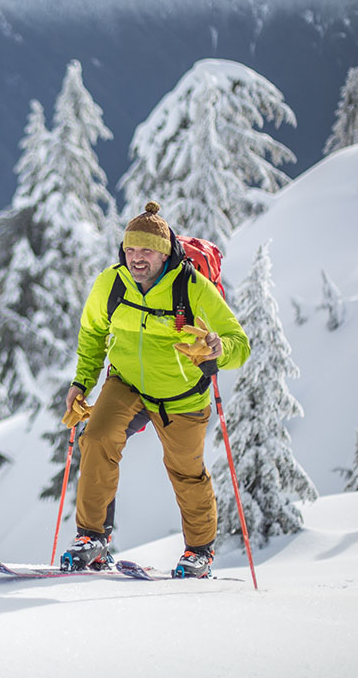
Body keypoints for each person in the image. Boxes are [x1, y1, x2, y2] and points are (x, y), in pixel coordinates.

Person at [60, 201, 249, 577]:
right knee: (96, 438)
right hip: (126, 383)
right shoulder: (111, 284)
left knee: (185, 470)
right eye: (130, 249)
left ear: (164, 252)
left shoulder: (192, 288)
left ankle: (199, 552)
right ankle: (92, 539)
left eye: (145, 250)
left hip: (180, 394)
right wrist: (83, 381)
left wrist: (218, 350)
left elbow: (239, 344)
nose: (136, 258)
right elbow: (93, 333)